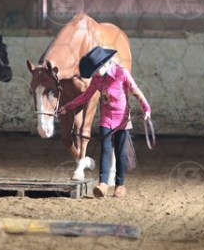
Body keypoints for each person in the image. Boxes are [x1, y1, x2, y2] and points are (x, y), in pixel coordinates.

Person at [58, 46, 151, 198]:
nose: (95, 73)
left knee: (120, 153)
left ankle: (120, 185)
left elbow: (135, 91)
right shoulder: (97, 79)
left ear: (105, 63)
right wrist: (67, 107)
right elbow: (85, 96)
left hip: (122, 120)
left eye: (97, 69)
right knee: (106, 151)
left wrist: (146, 109)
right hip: (106, 119)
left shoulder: (121, 73)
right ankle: (103, 184)